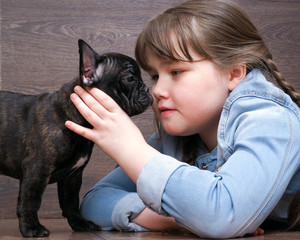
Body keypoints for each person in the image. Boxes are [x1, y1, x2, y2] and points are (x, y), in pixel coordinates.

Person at [65, 0, 300, 238]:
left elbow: (223, 216)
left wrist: (130, 149)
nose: (157, 91)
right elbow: (93, 204)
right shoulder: (174, 138)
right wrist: (168, 220)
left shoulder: (271, 119)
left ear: (234, 73)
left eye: (176, 72)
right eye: (155, 76)